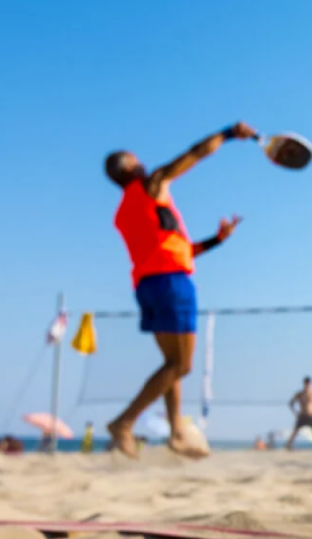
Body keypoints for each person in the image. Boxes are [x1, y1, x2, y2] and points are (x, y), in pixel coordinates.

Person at [102, 122, 257, 459]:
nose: (143, 163)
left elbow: (179, 249)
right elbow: (195, 153)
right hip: (171, 284)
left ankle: (176, 434)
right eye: (136, 160)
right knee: (182, 365)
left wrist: (217, 240)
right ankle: (124, 423)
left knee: (171, 364)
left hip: (147, 286)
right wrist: (229, 133)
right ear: (129, 169)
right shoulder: (152, 185)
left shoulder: (126, 210)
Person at [287, 377, 312, 450]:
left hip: (311, 415)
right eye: (306, 383)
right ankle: (289, 444)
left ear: (310, 384)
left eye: (308, 383)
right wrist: (295, 412)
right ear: (304, 384)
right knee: (295, 431)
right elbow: (291, 403)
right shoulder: (300, 394)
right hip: (302, 415)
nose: (307, 385)